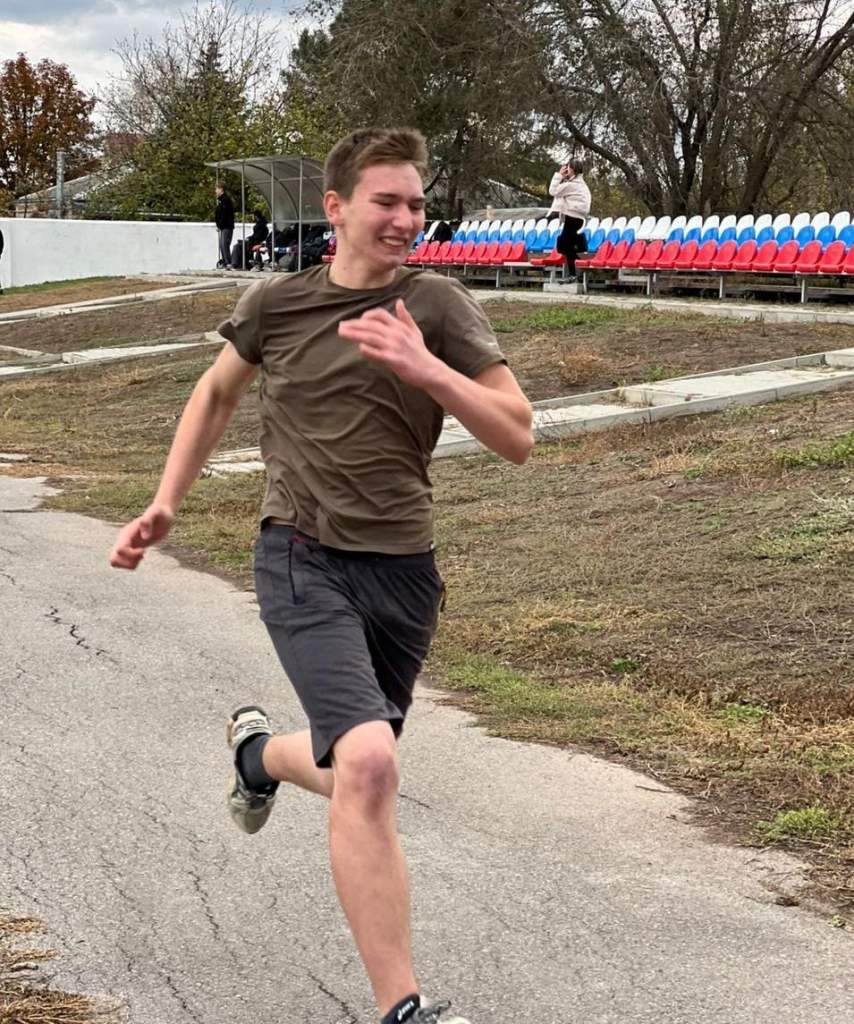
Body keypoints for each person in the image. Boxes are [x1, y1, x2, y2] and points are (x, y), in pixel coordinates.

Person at [109, 127, 534, 1024]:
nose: (406, 218)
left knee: (355, 773)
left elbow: (517, 435)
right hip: (300, 555)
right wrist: (167, 501)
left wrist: (426, 368)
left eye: (416, 203)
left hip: (404, 570)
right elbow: (216, 391)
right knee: (370, 765)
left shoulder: (439, 304)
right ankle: (403, 1007)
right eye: (387, 201)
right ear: (336, 207)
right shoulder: (278, 302)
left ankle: (257, 756)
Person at [548, 157, 592, 282]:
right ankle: (575, 270)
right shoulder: (580, 184)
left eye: (568, 168)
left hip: (573, 217)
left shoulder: (572, 185)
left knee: (565, 246)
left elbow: (553, 191)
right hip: (574, 218)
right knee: (565, 245)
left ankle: (575, 271)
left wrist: (559, 175)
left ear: (571, 169)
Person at [215, 183, 235, 269]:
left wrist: (219, 224)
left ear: (221, 189)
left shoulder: (225, 200)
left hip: (226, 226)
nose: (215, 191)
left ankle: (228, 262)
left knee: (224, 245)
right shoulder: (222, 200)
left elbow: (224, 215)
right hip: (223, 227)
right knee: (222, 245)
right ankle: (225, 262)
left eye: (216, 189)